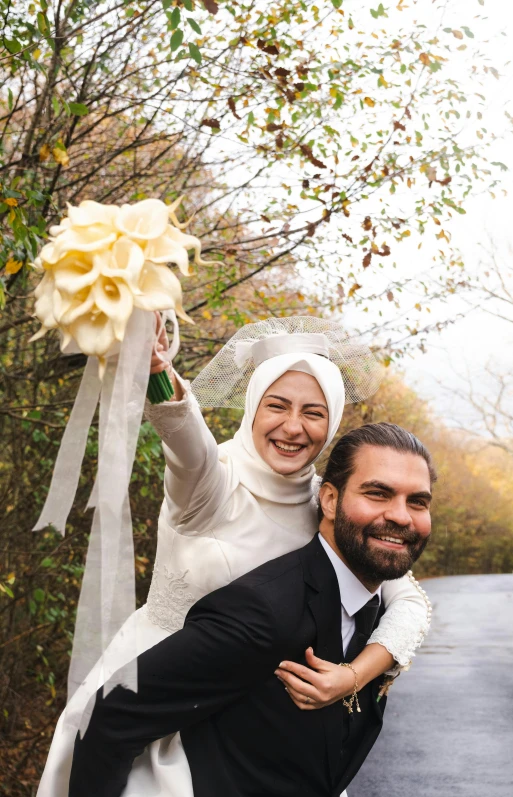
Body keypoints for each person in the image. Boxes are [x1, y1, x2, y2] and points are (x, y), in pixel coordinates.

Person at [38, 317, 431, 797]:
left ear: (331, 423)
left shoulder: (326, 505)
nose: (293, 426)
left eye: (313, 412)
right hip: (154, 702)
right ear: (252, 407)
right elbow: (187, 446)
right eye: (277, 406)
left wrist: (353, 676)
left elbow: (407, 600)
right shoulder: (211, 483)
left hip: (246, 723)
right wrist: (161, 374)